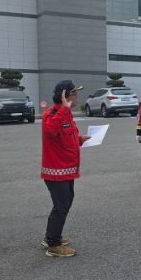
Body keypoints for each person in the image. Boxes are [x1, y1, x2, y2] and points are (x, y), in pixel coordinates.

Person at [41, 80, 90, 257]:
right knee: (61, 207)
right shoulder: (53, 113)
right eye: (74, 93)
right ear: (64, 96)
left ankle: (51, 237)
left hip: (67, 170)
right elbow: (50, 131)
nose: (76, 97)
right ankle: (53, 245)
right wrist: (63, 108)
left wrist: (80, 139)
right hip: (56, 171)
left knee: (65, 203)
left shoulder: (66, 114)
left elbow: (65, 136)